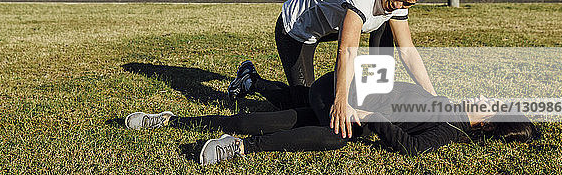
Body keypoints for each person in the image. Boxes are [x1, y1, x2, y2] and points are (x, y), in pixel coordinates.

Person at [125, 71, 538, 165]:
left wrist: (370, 115)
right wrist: (361, 107)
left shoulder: (448, 129)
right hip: (339, 91)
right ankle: (241, 149)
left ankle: (171, 120)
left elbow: (412, 148)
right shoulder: (444, 104)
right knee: (336, 136)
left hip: (346, 98)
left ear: (486, 122)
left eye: (492, 102)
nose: (486, 95)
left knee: (284, 118)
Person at [228, 0, 436, 138]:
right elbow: (347, 51)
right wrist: (341, 102)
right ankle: (251, 81)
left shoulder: (397, 2)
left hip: (330, 26)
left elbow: (407, 50)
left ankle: (374, 91)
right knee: (305, 105)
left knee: (386, 28)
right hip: (297, 30)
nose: (398, 6)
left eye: (407, 3)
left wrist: (433, 97)